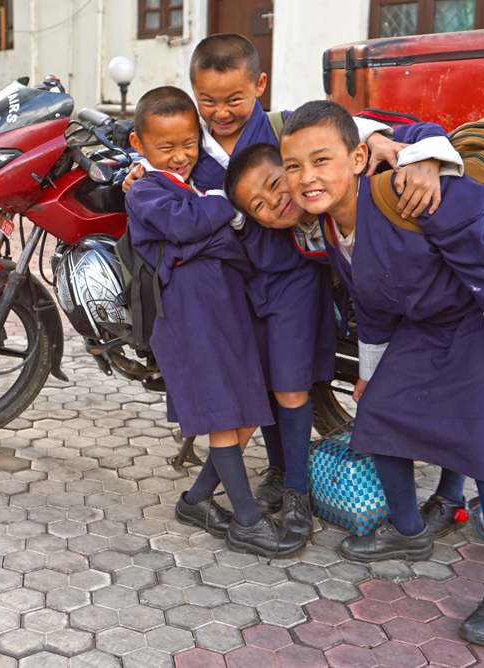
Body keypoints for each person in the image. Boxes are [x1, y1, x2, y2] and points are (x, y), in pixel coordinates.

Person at [278, 100, 484, 646]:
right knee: (379, 411)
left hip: (482, 320)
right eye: (293, 165)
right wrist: (371, 373)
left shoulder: (407, 192)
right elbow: (373, 307)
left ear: (357, 157)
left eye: (321, 160)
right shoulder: (331, 227)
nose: (307, 177)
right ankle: (408, 532)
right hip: (423, 329)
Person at [223, 142, 472, 539]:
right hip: (388, 312)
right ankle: (409, 520)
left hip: (447, 302)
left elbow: (356, 129)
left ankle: (450, 493)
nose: (276, 200)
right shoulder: (311, 226)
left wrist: (411, 152)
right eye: (259, 206)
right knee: (394, 400)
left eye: (277, 182)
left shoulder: (357, 188)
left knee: (452, 393)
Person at [125, 86, 306, 559]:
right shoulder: (144, 188)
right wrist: (233, 201)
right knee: (224, 414)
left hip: (227, 308)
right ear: (138, 145)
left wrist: (202, 226)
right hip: (191, 315)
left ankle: (196, 500)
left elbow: (197, 232)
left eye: (189, 143)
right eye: (166, 148)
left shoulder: (187, 187)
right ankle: (246, 521)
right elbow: (184, 227)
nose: (181, 155)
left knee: (245, 410)